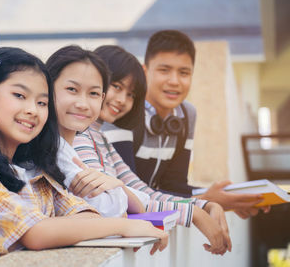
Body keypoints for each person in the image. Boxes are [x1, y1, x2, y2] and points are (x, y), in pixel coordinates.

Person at [0, 47, 168, 257]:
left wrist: (97, 219)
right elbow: (34, 232)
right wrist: (124, 227)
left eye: (42, 102)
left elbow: (88, 215)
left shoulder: (36, 169)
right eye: (19, 95)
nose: (33, 110)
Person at [69, 44, 231, 255]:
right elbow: (107, 201)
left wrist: (203, 205)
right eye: (117, 86)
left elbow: (144, 192)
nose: (122, 100)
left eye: (131, 94)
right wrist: (194, 214)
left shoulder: (100, 138)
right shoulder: (77, 136)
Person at [105, 30, 270, 219]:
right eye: (164, 70)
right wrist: (206, 202)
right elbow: (130, 191)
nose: (174, 81)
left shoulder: (187, 114)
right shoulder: (124, 110)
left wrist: (227, 200)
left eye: (184, 73)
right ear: (144, 72)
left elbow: (174, 184)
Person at [46, 45, 148, 217]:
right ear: (47, 88)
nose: (82, 104)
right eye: (72, 89)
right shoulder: (53, 149)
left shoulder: (79, 145)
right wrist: (120, 194)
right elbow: (108, 208)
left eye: (93, 93)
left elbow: (141, 199)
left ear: (101, 97)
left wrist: (118, 188)